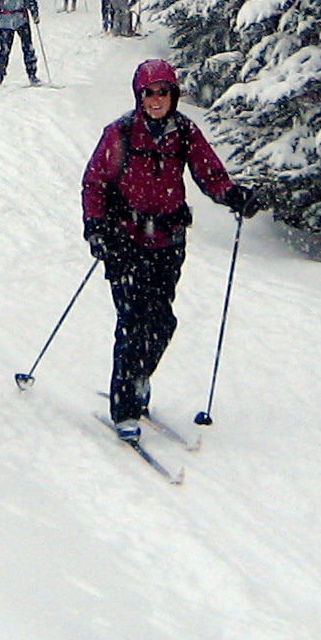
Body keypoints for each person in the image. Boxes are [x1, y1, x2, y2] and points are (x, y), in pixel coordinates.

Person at [82, 58, 262, 435]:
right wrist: (96, 229)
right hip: (124, 240)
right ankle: (126, 406)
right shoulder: (121, 132)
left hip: (167, 240)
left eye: (164, 91)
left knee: (162, 322)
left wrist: (233, 196)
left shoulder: (183, 132)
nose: (156, 99)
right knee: (132, 321)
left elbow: (208, 172)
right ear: (139, 95)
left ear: (174, 94)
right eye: (149, 92)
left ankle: (139, 379)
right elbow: (95, 182)